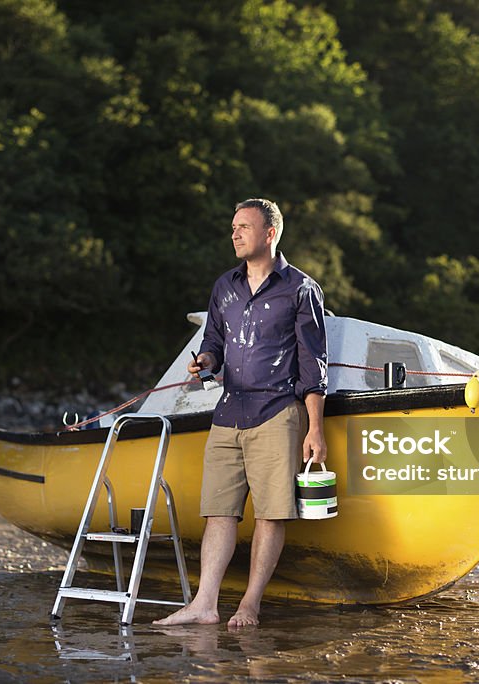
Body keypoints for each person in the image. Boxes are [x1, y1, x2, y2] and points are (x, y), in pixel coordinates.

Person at [155, 198, 328, 629]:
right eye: (233, 226)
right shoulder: (224, 287)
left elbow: (313, 366)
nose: (234, 234)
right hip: (228, 411)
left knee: (271, 512)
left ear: (270, 234)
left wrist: (315, 429)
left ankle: (249, 604)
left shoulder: (302, 289)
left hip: (276, 412)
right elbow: (213, 340)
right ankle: (205, 605)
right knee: (219, 510)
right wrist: (207, 362)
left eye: (244, 227)